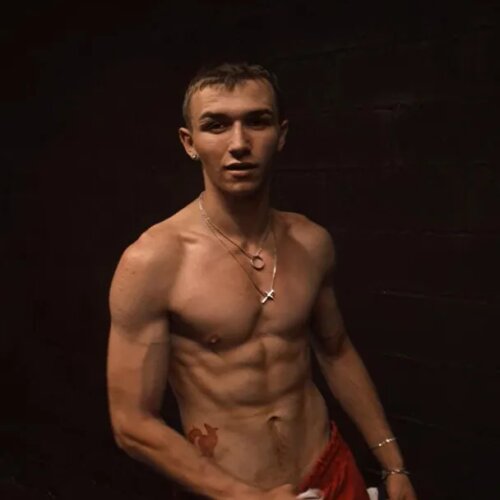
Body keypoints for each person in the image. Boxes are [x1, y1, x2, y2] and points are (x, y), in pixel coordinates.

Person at [106, 62, 417, 500]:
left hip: (330, 468)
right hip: (233, 490)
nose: (239, 144)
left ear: (281, 134)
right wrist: (243, 496)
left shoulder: (310, 242)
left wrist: (393, 464)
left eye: (257, 121)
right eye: (216, 125)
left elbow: (336, 351)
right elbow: (131, 423)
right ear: (189, 142)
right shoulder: (154, 261)